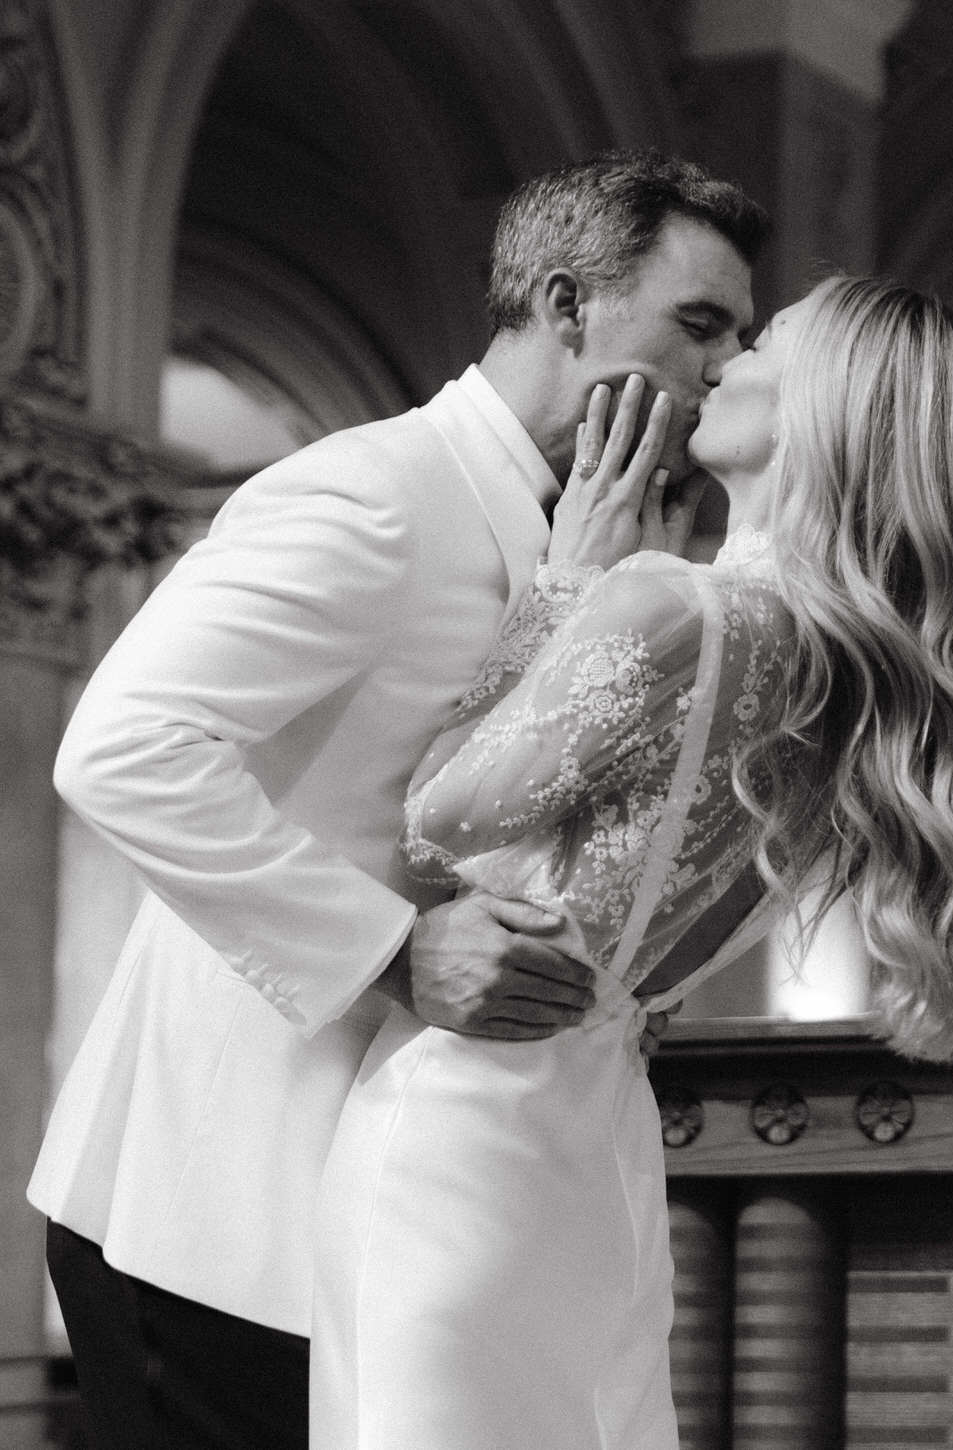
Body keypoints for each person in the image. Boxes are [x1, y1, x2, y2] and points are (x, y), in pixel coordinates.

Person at [28, 151, 768, 1450]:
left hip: (397, 1207)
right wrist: (393, 950)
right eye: (697, 325)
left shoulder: (619, 543)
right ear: (565, 303)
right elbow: (123, 747)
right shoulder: (374, 494)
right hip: (209, 1210)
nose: (720, 367)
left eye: (740, 339)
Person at [309, 274, 953, 1449]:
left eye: (761, 342)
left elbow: (438, 817)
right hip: (602, 1131)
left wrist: (562, 585)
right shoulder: (847, 685)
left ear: (820, 412)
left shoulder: (672, 604)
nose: (723, 362)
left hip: (464, 1119)